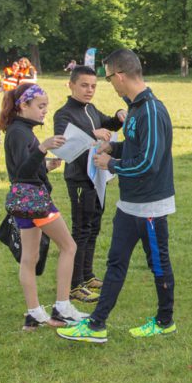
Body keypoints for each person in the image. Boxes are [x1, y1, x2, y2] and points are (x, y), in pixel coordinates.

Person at [57, 49, 176, 343]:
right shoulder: (134, 107)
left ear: (120, 76)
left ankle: (165, 321)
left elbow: (150, 162)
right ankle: (97, 325)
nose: (109, 84)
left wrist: (111, 164)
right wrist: (115, 149)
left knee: (158, 264)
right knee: (115, 263)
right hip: (129, 204)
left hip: (150, 205)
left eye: (108, 78)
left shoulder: (151, 110)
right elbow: (136, 149)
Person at [0, 83, 90, 331]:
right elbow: (21, 172)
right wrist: (43, 148)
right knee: (69, 246)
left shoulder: (20, 130)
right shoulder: (19, 132)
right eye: (40, 106)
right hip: (35, 202)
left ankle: (34, 314)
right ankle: (62, 307)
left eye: (46, 106)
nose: (44, 111)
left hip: (23, 203)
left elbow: (26, 166)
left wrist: (46, 165)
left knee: (29, 258)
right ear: (23, 105)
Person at [53, 65, 126, 303]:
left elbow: (109, 124)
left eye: (93, 86)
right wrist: (93, 132)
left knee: (94, 226)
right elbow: (64, 142)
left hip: (97, 177)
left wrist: (118, 115)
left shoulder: (90, 108)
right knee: (81, 228)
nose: (89, 90)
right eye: (84, 85)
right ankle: (74, 285)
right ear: (71, 85)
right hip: (79, 179)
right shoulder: (63, 114)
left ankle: (87, 275)